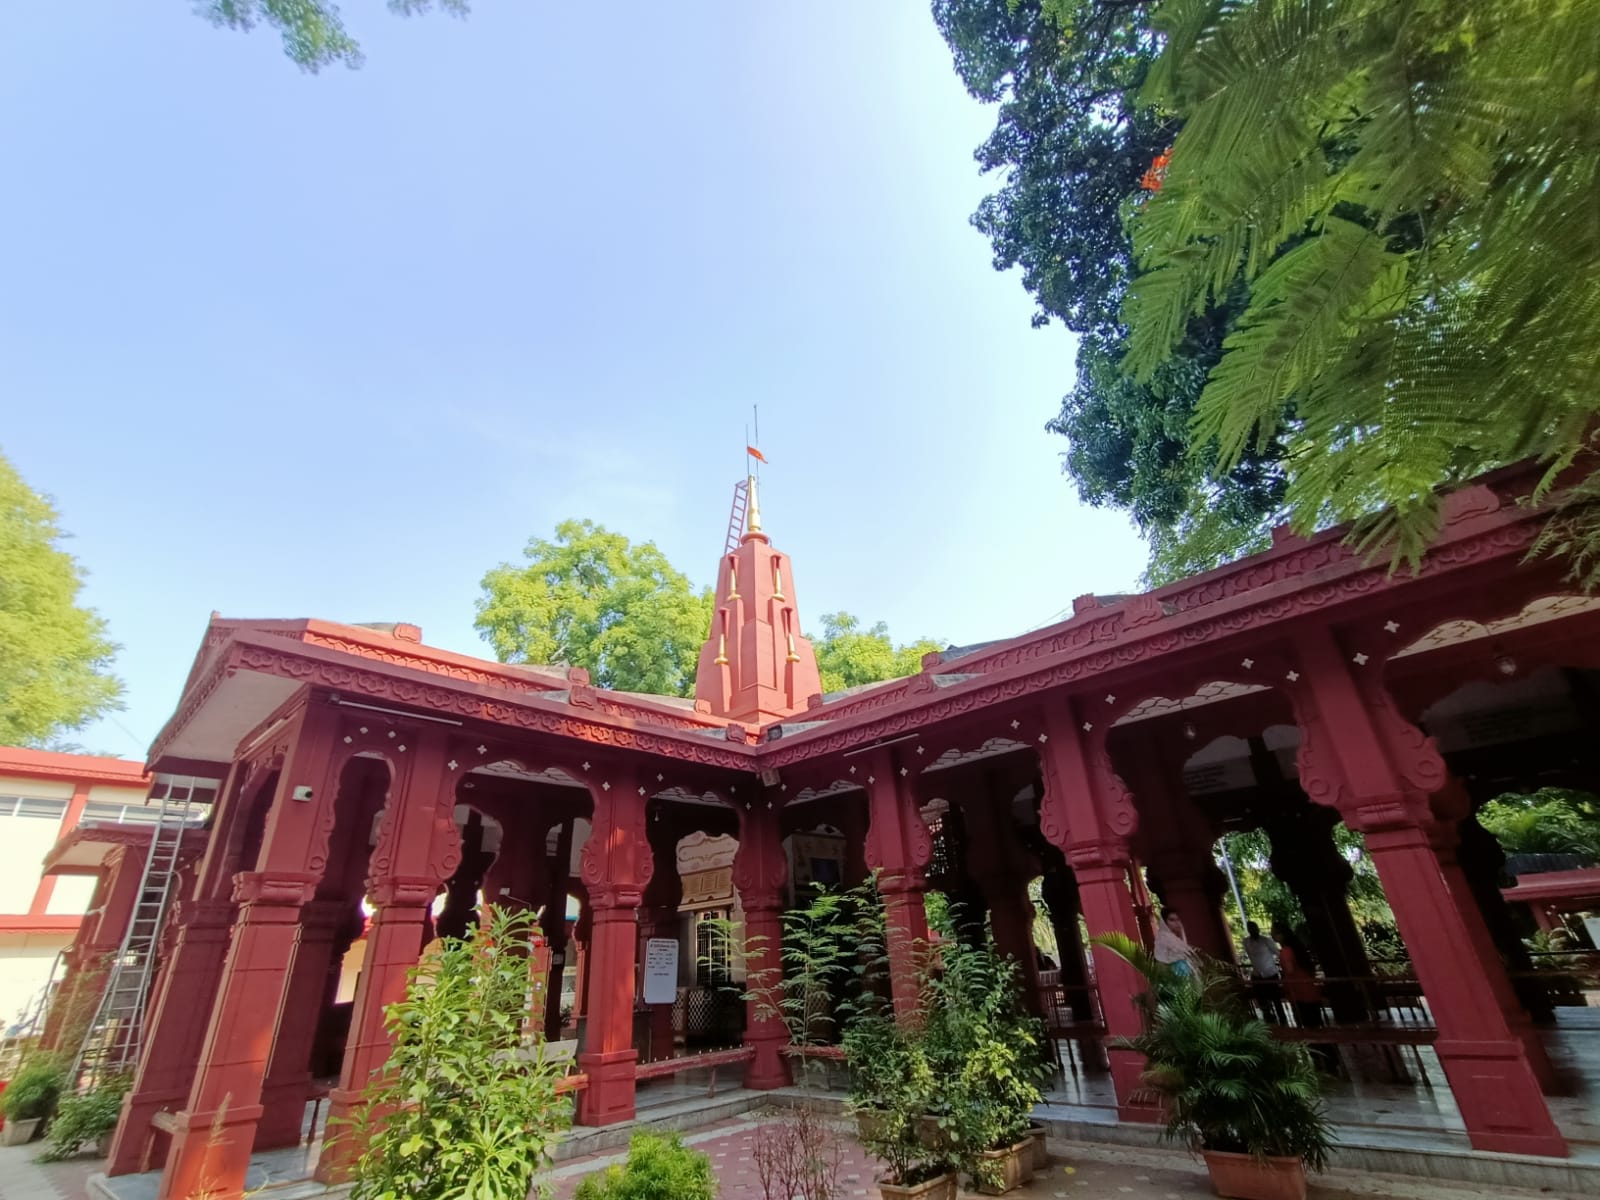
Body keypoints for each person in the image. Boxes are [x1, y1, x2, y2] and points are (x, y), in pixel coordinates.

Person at [1243, 921, 1284, 1022]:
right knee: (1261, 998)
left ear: (1257, 929)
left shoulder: (1266, 940)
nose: (1253, 930)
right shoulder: (1246, 942)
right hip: (1257, 974)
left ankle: (1282, 1018)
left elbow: (1277, 953)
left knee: (1276, 999)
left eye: (1254, 927)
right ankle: (1269, 1018)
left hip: (1270, 973)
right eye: (1250, 928)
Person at [1153, 909, 1197, 978]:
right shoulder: (1163, 937)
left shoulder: (1174, 937)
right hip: (1172, 974)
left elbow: (1185, 951)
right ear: (1164, 922)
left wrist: (1181, 931)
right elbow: (1161, 959)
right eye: (1172, 920)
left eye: (1178, 919)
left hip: (1183, 971)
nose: (1176, 923)